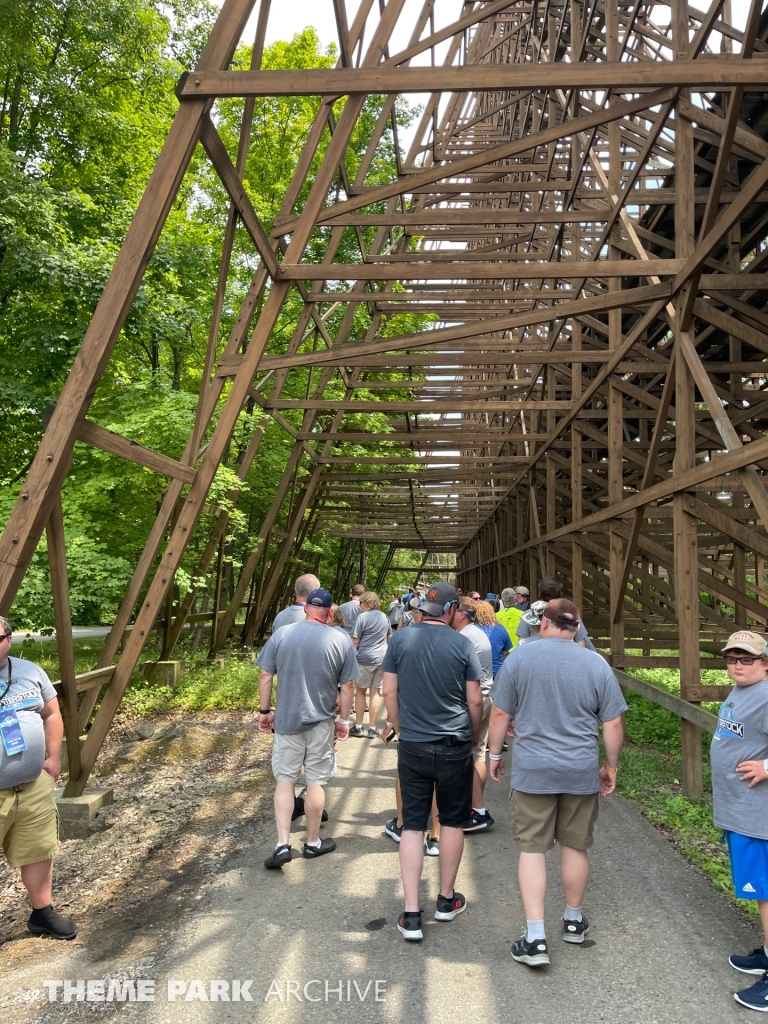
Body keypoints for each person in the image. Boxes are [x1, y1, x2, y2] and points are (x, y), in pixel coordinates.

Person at [488, 598, 626, 967]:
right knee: (575, 845)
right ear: (577, 626)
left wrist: (495, 755)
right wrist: (610, 769)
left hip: (534, 770)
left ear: (543, 624)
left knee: (532, 849)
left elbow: (501, 711)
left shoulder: (520, 658)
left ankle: (535, 938)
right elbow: (612, 723)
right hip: (579, 770)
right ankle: (573, 920)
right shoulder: (595, 663)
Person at [381, 582, 483, 942]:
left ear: (426, 606)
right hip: (454, 743)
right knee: (453, 822)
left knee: (412, 825)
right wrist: (473, 735)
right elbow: (475, 700)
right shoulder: (462, 644)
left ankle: (411, 914)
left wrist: (398, 725)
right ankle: (445, 900)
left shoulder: (402, 640)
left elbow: (388, 691)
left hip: (414, 744)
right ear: (453, 609)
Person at [257, 589, 358, 868]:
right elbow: (348, 685)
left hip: (287, 721)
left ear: (304, 609)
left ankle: (281, 845)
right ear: (329, 611)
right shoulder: (340, 639)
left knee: (285, 781)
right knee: (315, 782)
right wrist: (344, 721)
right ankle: (312, 842)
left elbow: (266, 674)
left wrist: (265, 712)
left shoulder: (283, 634)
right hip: (321, 721)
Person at [0, 616, 77, 939]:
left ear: (8, 638)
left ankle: (42, 912)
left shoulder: (30, 671)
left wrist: (53, 757)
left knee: (38, 849)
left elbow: (51, 712)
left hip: (32, 783)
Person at [710, 630, 768, 1012]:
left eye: (746, 659)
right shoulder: (741, 690)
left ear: (765, 663)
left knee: (767, 894)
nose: (737, 665)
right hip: (739, 811)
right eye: (732, 658)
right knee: (762, 893)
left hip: (757, 816)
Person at [453, 599, 495, 831]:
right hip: (487, 697)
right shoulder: (477, 633)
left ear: (461, 614)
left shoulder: (464, 637)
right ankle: (477, 808)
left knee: (464, 756)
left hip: (475, 701)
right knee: (477, 755)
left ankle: (474, 810)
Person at [350, 592, 391, 738]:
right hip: (381, 659)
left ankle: (359, 726)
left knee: (360, 692)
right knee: (375, 692)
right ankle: (373, 728)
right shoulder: (384, 617)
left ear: (366, 603)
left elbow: (355, 641)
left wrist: (349, 656)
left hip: (364, 659)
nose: (359, 606)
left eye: (361, 603)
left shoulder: (362, 617)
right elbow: (389, 638)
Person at [516, 578, 592, 649]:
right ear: (560, 593)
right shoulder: (571, 614)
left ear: (539, 593)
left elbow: (521, 643)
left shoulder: (529, 615)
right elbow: (581, 643)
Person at [474, 599, 513, 678]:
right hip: (498, 671)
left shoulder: (473, 629)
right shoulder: (501, 629)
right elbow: (506, 653)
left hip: (479, 673)